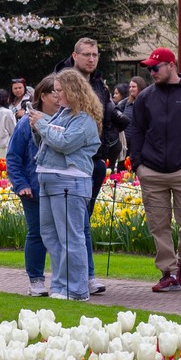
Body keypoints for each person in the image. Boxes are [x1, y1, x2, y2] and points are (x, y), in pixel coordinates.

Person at [126, 48, 181, 293]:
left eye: (155, 67)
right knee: (158, 225)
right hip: (151, 171)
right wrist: (137, 163)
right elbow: (137, 131)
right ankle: (168, 272)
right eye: (149, 69)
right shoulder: (145, 97)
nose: (151, 72)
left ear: (171, 66)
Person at [54, 38, 127, 296]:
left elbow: (105, 120)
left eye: (95, 54)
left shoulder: (99, 85)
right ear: (74, 55)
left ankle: (80, 275)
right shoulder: (61, 81)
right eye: (86, 54)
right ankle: (84, 276)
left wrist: (109, 145)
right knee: (78, 223)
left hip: (95, 160)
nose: (91, 59)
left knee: (82, 221)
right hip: (70, 161)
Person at [30, 70, 102, 301]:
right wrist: (37, 127)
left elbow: (65, 143)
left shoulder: (84, 120)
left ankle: (77, 289)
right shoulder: (63, 114)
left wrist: (42, 125)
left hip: (69, 181)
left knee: (70, 236)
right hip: (49, 179)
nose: (56, 95)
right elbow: (49, 143)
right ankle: (60, 287)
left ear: (73, 91)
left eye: (60, 91)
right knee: (51, 235)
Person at [7, 76, 57, 295]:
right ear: (42, 96)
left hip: (61, 188)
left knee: (64, 235)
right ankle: (36, 279)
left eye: (61, 91)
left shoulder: (69, 119)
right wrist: (21, 184)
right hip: (34, 190)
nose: (59, 96)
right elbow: (13, 156)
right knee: (37, 233)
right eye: (54, 92)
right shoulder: (26, 123)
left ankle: (64, 279)